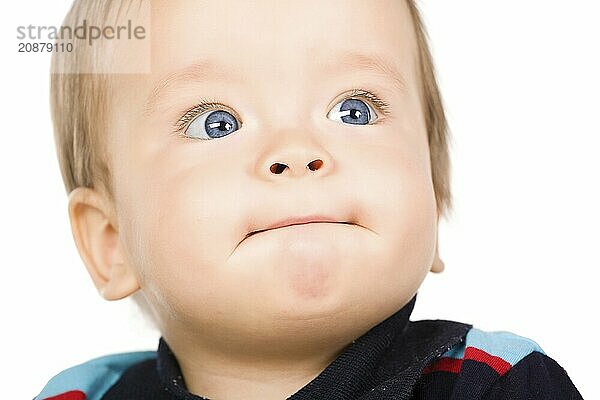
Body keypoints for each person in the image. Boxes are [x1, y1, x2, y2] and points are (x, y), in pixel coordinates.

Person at [35, 0, 583, 399]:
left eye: (355, 110)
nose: (297, 151)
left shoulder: (497, 385)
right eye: (216, 123)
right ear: (111, 242)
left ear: (434, 196)